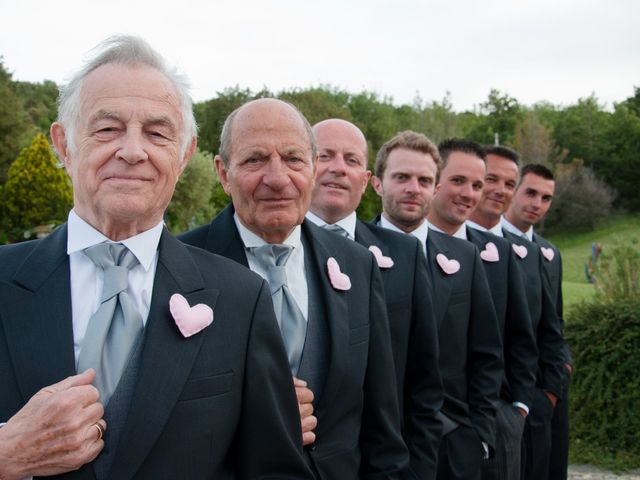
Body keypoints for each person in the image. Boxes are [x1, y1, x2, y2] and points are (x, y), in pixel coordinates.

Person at [0, 36, 310, 480]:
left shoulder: (241, 300)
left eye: (157, 133)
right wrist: (6, 452)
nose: (132, 150)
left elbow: (275, 469)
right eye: (107, 129)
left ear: (183, 155)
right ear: (64, 144)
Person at [180, 99, 408, 479]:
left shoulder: (357, 264)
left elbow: (380, 419)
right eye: (254, 160)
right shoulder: (181, 266)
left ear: (313, 168)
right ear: (223, 172)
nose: (277, 178)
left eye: (293, 159)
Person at [306, 118, 443, 478]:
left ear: (367, 181)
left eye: (352, 160)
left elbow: (423, 382)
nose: (338, 168)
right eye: (325, 155)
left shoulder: (406, 255)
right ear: (304, 164)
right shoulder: (269, 249)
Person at [372, 132, 503, 480]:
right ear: (377, 184)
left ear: (435, 187)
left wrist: (479, 435)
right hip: (370, 445)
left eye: (424, 180)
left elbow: (486, 352)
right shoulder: (350, 254)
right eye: (401, 177)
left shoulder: (465, 257)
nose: (414, 188)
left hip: (454, 443)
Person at [425, 140, 537, 480]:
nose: (470, 193)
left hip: (484, 426)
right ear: (436, 181)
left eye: (477, 184)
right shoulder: (381, 247)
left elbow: (519, 335)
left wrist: (516, 410)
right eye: (459, 181)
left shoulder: (499, 253)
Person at [466, 146, 565, 480]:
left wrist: (528, 403)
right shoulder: (431, 242)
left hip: (507, 408)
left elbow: (544, 329)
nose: (499, 190)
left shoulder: (529, 254)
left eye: (509, 183)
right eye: (490, 179)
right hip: (446, 413)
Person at [503, 163, 571, 480]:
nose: (537, 204)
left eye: (546, 198)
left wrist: (557, 382)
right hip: (509, 388)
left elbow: (555, 321)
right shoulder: (486, 245)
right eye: (530, 193)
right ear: (513, 191)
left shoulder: (550, 252)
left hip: (548, 387)